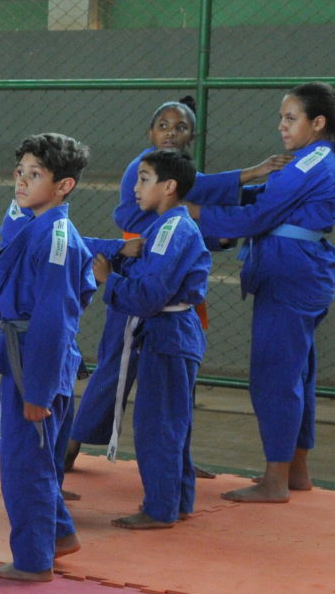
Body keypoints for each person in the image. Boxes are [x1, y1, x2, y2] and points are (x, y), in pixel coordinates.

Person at [64, 98, 283, 471]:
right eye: (163, 125)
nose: (170, 132)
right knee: (115, 367)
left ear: (192, 137)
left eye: (180, 127)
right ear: (150, 133)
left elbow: (189, 224)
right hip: (136, 275)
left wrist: (218, 237)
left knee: (180, 376)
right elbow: (181, 205)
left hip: (170, 292)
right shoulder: (144, 168)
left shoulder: (179, 186)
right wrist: (250, 173)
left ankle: (178, 457)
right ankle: (68, 447)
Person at [183, 82, 335, 503]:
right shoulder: (312, 159)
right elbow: (262, 195)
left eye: (290, 118)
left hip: (290, 277)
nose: (281, 126)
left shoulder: (311, 163)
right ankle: (295, 471)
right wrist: (213, 194)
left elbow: (258, 214)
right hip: (299, 273)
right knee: (298, 372)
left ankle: (275, 479)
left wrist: (192, 212)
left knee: (275, 375)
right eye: (282, 117)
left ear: (317, 123)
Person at [0, 133, 95, 583]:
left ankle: (33, 560)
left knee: (24, 463)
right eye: (20, 172)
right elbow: (10, 233)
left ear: (64, 186)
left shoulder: (56, 238)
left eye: (36, 175)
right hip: (22, 353)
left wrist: (38, 389)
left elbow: (55, 319)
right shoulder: (38, 225)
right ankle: (59, 534)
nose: (22, 182)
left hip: (36, 359)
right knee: (34, 457)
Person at [100, 150, 211, 529]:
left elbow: (149, 295)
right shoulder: (164, 226)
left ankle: (160, 508)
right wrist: (117, 259)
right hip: (172, 334)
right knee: (173, 421)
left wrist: (109, 282)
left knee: (158, 423)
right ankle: (177, 501)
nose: (136, 187)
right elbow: (146, 271)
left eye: (144, 178)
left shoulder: (171, 230)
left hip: (168, 333)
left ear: (169, 186)